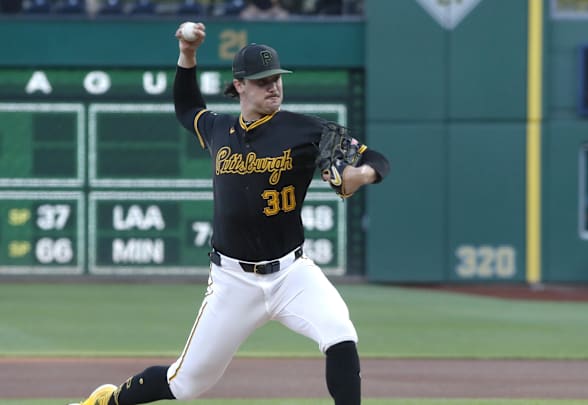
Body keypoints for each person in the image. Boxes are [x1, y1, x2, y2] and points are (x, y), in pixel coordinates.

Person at [71, 22, 389, 405]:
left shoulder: (307, 130)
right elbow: (188, 107)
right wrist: (187, 55)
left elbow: (375, 157)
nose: (272, 86)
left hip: (292, 273)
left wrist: (362, 174)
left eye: (275, 78)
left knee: (340, 332)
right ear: (239, 85)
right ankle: (108, 401)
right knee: (185, 385)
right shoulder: (220, 129)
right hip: (232, 282)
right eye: (261, 80)